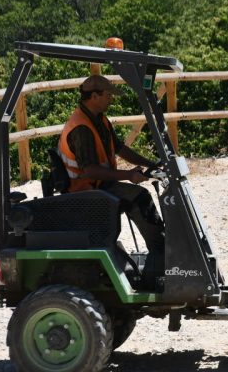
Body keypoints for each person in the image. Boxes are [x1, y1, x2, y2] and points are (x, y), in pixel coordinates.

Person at [58, 75, 165, 259]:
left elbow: (120, 148)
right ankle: (163, 254)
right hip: (86, 190)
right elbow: (89, 170)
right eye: (108, 95)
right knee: (140, 198)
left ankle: (161, 253)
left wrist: (150, 163)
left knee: (138, 196)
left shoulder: (100, 120)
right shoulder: (81, 128)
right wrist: (128, 175)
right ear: (94, 97)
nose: (111, 98)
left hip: (99, 185)